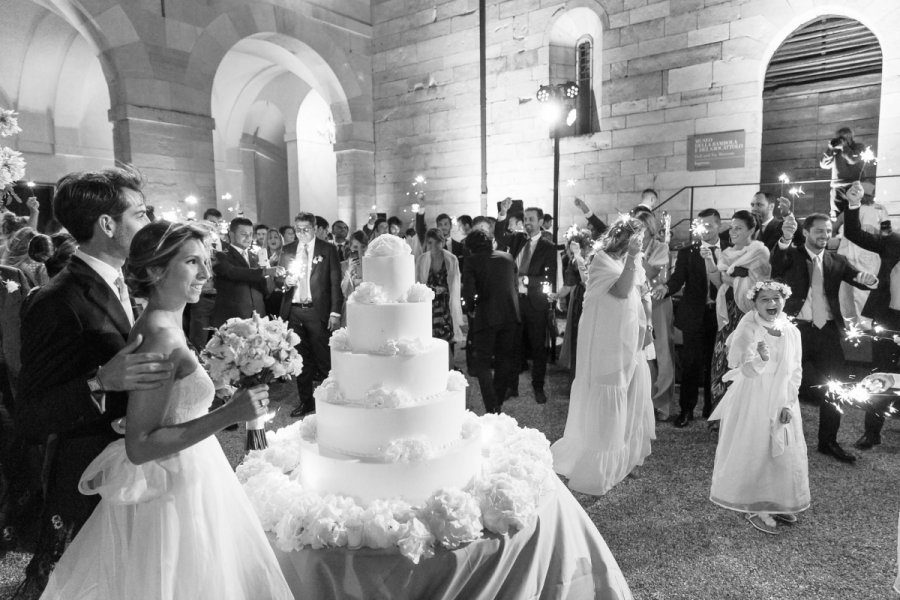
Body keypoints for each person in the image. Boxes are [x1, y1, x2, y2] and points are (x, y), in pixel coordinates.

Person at [40, 220, 292, 600]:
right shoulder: (159, 336)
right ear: (156, 270)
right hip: (172, 489)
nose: (206, 274)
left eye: (205, 262)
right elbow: (139, 446)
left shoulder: (168, 322)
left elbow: (173, 404)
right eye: (192, 262)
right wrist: (228, 415)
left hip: (195, 471)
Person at [14, 167, 173, 597]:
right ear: (107, 225)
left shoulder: (128, 282)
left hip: (135, 466)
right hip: (87, 478)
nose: (149, 224)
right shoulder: (56, 300)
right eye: (140, 214)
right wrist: (100, 383)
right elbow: (29, 416)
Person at [551, 218, 654, 495]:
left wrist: (649, 327)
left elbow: (643, 293)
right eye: (637, 239)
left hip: (629, 335)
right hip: (606, 340)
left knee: (630, 393)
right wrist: (633, 256)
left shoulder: (631, 260)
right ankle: (599, 466)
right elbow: (621, 291)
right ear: (623, 238)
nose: (640, 244)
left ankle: (624, 457)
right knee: (609, 392)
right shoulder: (601, 259)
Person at [771, 212, 877, 463]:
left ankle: (828, 441)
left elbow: (858, 278)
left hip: (828, 330)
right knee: (782, 381)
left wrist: (867, 279)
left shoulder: (836, 260)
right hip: (796, 328)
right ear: (806, 232)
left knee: (836, 386)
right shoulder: (792, 255)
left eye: (828, 231)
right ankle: (774, 437)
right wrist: (785, 238)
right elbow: (776, 262)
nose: (825, 235)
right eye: (819, 231)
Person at [709, 281, 809, 535]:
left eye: (776, 298)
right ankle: (754, 503)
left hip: (782, 397)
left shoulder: (791, 331)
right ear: (754, 303)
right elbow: (743, 369)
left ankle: (778, 500)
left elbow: (795, 370)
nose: (772, 304)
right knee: (756, 448)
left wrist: (788, 402)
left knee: (784, 451)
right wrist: (761, 360)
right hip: (754, 397)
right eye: (765, 299)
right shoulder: (748, 328)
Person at [840, 182, 900, 449]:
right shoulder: (893, 242)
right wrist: (853, 204)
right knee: (880, 374)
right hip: (889, 320)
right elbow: (853, 232)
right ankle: (872, 432)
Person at [655, 208, 722, 427]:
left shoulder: (730, 250)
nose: (705, 229)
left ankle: (713, 410)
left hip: (720, 316)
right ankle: (686, 409)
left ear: (719, 226)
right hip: (694, 314)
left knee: (716, 364)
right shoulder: (688, 252)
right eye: (701, 225)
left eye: (710, 225)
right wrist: (665, 289)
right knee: (692, 364)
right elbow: (677, 280)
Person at [495, 201, 558, 404]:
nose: (527, 223)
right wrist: (503, 214)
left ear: (540, 221)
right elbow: (499, 237)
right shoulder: (517, 240)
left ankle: (538, 386)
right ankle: (511, 387)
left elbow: (549, 278)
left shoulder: (548, 247)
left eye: (531, 219)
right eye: (525, 219)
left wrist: (529, 280)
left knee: (538, 348)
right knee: (512, 346)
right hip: (514, 301)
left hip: (535, 303)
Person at [280, 212, 342, 417]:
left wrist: (335, 312)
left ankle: (329, 402)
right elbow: (280, 277)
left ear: (315, 229)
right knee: (300, 359)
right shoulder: (288, 250)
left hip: (318, 309)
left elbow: (335, 283)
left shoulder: (327, 249)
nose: (301, 233)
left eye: (306, 229)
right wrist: (285, 282)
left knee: (323, 358)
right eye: (298, 229)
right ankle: (306, 402)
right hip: (295, 309)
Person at [710, 211, 770, 412]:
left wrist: (732, 279)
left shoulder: (760, 253)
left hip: (747, 313)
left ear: (751, 230)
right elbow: (719, 281)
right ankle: (720, 413)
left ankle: (742, 413)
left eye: (739, 228)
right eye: (732, 227)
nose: (733, 232)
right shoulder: (726, 254)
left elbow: (759, 285)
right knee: (722, 359)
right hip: (727, 312)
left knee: (744, 357)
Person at [462, 230, 520, 414]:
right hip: (510, 314)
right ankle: (498, 401)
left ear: (470, 248)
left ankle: (492, 406)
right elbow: (514, 285)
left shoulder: (471, 261)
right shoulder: (508, 257)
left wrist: (470, 309)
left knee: (483, 363)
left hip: (486, 316)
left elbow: (469, 292)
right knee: (504, 359)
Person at [836, 183, 888, 328]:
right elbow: (834, 229)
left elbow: (887, 234)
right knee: (847, 294)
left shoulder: (880, 209)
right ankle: (853, 327)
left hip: (865, 256)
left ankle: (862, 328)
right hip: (849, 255)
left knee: (861, 292)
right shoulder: (850, 209)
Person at [210, 218, 279, 328]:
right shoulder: (221, 255)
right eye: (244, 234)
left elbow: (267, 290)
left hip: (258, 317)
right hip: (233, 317)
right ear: (231, 234)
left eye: (251, 234)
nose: (248, 238)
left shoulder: (256, 256)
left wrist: (271, 276)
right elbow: (233, 272)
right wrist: (264, 271)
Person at [416, 228, 464, 369]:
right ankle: (433, 367)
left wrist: (444, 291)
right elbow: (418, 283)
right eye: (430, 243)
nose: (434, 246)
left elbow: (455, 284)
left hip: (445, 304)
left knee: (447, 336)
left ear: (442, 242)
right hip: (428, 305)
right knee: (430, 336)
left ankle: (449, 368)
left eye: (438, 242)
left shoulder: (451, 259)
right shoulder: (422, 259)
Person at [557, 229, 592, 378]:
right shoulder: (577, 259)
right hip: (581, 297)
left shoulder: (583, 259)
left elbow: (584, 281)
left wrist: (578, 258)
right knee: (580, 338)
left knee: (582, 337)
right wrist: (557, 295)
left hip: (584, 299)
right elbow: (569, 284)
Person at [820, 126, 866, 216]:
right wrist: (830, 150)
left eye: (844, 137)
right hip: (837, 189)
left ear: (850, 137)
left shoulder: (859, 147)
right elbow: (824, 165)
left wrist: (844, 147)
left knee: (855, 214)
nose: (841, 140)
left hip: (854, 186)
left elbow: (853, 159)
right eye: (839, 138)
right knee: (836, 215)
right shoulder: (836, 150)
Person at [340, 231, 368, 323]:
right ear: (350, 247)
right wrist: (349, 271)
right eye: (355, 247)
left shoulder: (371, 265)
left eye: (363, 247)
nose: (360, 251)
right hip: (348, 310)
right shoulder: (342, 266)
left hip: (367, 309)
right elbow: (343, 291)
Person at [264, 228, 286, 317]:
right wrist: (269, 263)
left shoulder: (285, 255)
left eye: (276, 237)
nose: (273, 240)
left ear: (281, 240)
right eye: (270, 238)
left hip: (281, 295)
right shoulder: (262, 255)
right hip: (267, 296)